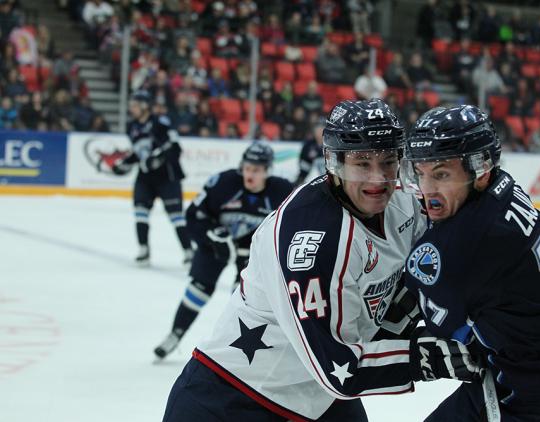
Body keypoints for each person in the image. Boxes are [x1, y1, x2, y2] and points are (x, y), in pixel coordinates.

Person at [162, 99, 480, 422]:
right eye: (362, 164)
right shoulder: (312, 239)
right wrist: (429, 356)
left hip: (318, 400)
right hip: (230, 401)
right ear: (334, 163)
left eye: (388, 162)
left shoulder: (406, 206)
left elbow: (442, 265)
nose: (378, 179)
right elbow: (339, 369)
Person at [400, 105, 540, 421]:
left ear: (480, 169)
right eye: (421, 172)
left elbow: (447, 332)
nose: (427, 190)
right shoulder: (502, 186)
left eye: (441, 174)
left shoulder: (461, 246)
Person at [154, 141, 294, 359]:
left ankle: (236, 345)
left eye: (256, 170)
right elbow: (193, 217)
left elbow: (291, 228)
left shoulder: (283, 190)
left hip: (253, 252)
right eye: (247, 168)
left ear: (267, 170)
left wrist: (264, 251)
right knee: (198, 288)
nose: (250, 174)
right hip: (216, 244)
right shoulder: (222, 183)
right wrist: (211, 235)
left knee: (245, 295)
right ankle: (175, 333)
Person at [104, 90, 192, 266]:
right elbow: (138, 154)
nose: (132, 108)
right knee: (140, 213)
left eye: (135, 105)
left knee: (176, 216)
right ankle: (143, 250)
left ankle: (188, 251)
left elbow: (175, 149)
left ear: (145, 106)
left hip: (168, 176)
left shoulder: (161, 123)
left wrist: (158, 158)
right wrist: (123, 164)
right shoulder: (132, 127)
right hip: (145, 177)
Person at [295, 120, 325, 186]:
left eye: (321, 130)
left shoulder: (330, 144)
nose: (319, 132)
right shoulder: (308, 145)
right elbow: (303, 162)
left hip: (325, 175)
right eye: (317, 130)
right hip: (308, 174)